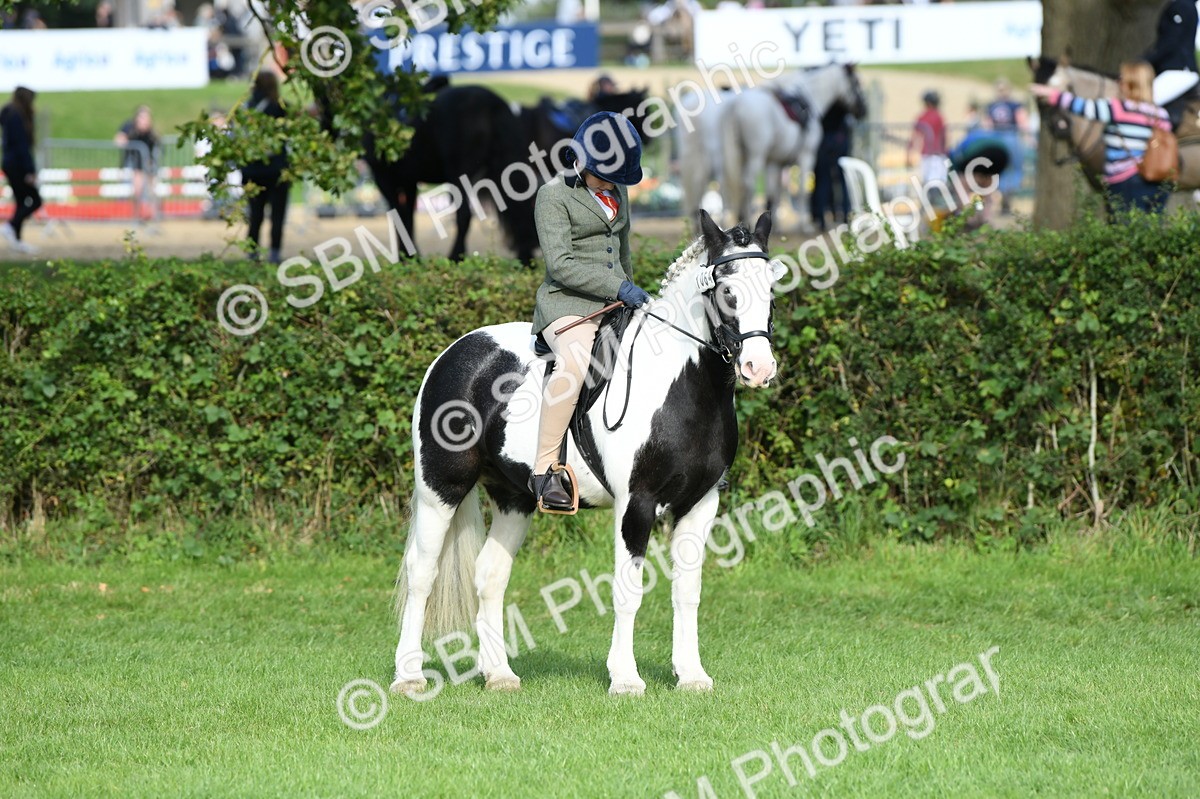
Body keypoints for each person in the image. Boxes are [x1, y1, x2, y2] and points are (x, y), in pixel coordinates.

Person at [529, 112, 649, 512]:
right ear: (581, 160)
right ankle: (544, 470)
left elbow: (623, 248)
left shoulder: (618, 190)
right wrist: (618, 287)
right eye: (603, 176)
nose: (610, 184)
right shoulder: (553, 195)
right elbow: (560, 264)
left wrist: (633, 293)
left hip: (618, 301)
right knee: (575, 365)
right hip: (568, 306)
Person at [1031, 61, 1173, 215]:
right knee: (1150, 229)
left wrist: (1052, 95)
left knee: (1124, 229)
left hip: (1124, 180)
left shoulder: (1119, 108)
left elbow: (1084, 107)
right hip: (1155, 180)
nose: (1118, 83)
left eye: (1121, 80)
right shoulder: (1160, 114)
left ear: (1129, 84)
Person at [240, 72, 290, 263]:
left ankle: (252, 254)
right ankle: (275, 254)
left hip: (251, 171)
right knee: (277, 216)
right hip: (276, 170)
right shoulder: (279, 106)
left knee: (255, 215)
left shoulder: (246, 107)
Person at [1143, 0, 1199, 126]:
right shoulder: (1186, 5)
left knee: (1140, 105)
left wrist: (1143, 61)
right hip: (1176, 69)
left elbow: (1169, 44)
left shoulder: (1182, 5)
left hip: (1177, 71)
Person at [1, 86, 42, 253]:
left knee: (20, 202)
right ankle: (10, 226)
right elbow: (22, 147)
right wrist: (30, 171)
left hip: (10, 163)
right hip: (17, 165)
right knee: (35, 200)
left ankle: (17, 240)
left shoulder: (10, 114)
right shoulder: (17, 117)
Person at [985, 78, 1030, 214]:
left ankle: (1004, 195)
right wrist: (1028, 138)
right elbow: (1022, 122)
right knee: (1015, 168)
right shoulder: (1014, 105)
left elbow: (987, 126)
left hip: (997, 138)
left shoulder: (991, 106)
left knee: (999, 169)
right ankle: (1007, 195)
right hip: (1011, 137)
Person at [811, 100, 854, 232]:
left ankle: (821, 217)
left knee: (824, 180)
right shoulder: (842, 100)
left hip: (825, 140)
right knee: (838, 179)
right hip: (838, 139)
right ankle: (844, 215)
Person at [115, 106, 160, 221]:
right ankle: (138, 214)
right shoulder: (129, 127)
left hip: (149, 162)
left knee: (151, 188)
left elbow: (156, 147)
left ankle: (153, 214)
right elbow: (118, 139)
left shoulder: (151, 133)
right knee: (138, 188)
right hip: (135, 163)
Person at [907, 89, 948, 188]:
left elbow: (914, 137)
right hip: (939, 154)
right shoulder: (939, 116)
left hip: (927, 155)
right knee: (939, 183)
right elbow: (945, 137)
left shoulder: (923, 116)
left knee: (927, 183)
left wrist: (909, 153)